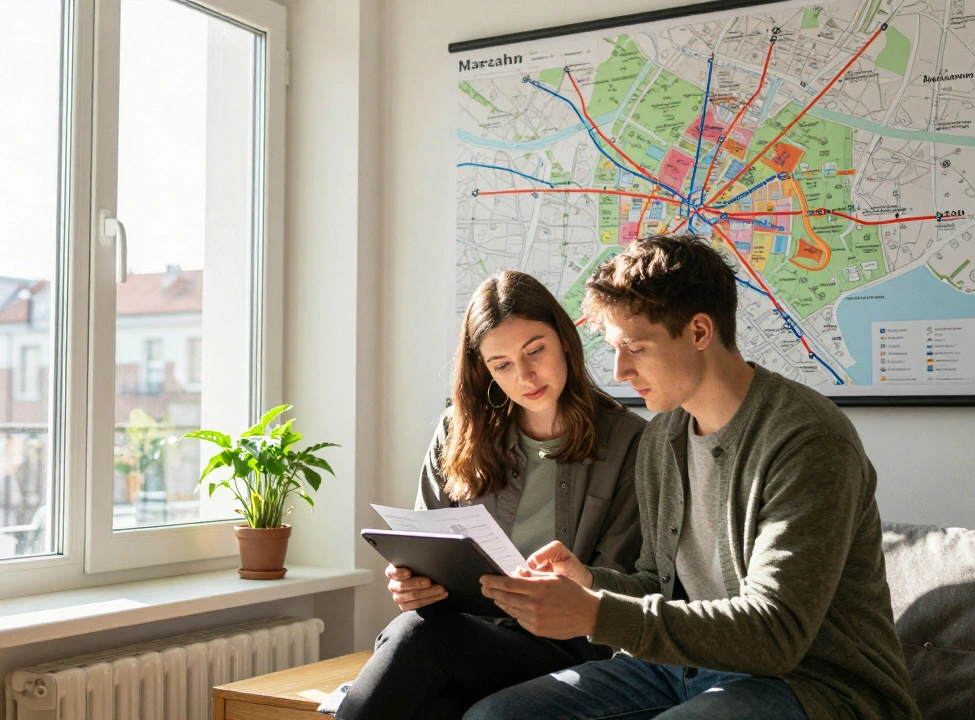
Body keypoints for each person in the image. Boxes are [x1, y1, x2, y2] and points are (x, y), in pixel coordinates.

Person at [470, 235, 921, 720]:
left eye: (634, 348)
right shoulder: (662, 437)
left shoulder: (808, 440)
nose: (620, 371)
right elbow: (658, 585)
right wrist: (588, 583)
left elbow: (776, 633)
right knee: (494, 717)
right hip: (681, 669)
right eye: (616, 349)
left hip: (814, 685)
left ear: (700, 331)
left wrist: (596, 613)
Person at [334, 270, 647, 720]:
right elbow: (426, 547)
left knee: (416, 639)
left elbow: (624, 584)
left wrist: (575, 583)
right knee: (427, 680)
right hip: (466, 637)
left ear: (564, 340)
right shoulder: (457, 434)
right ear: (484, 370)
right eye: (502, 365)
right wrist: (411, 585)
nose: (525, 376)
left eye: (535, 351)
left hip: (569, 648)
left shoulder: (630, 443)